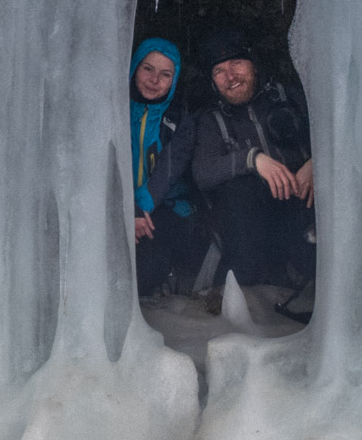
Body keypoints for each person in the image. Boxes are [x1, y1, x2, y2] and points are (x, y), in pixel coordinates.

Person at [189, 30, 315, 289]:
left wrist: (318, 164)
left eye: (236, 63)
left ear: (253, 65)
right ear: (212, 82)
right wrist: (252, 159)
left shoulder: (289, 97)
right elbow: (203, 172)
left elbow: (339, 132)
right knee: (237, 193)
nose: (231, 76)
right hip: (252, 222)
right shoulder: (212, 120)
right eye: (219, 71)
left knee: (310, 264)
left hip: (303, 204)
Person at [128, 37, 203, 296]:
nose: (154, 80)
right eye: (147, 68)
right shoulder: (116, 111)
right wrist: (126, 209)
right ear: (135, 67)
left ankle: (166, 277)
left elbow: (166, 175)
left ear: (174, 80)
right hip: (123, 207)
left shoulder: (179, 121)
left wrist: (138, 209)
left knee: (145, 269)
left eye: (165, 74)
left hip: (165, 207)